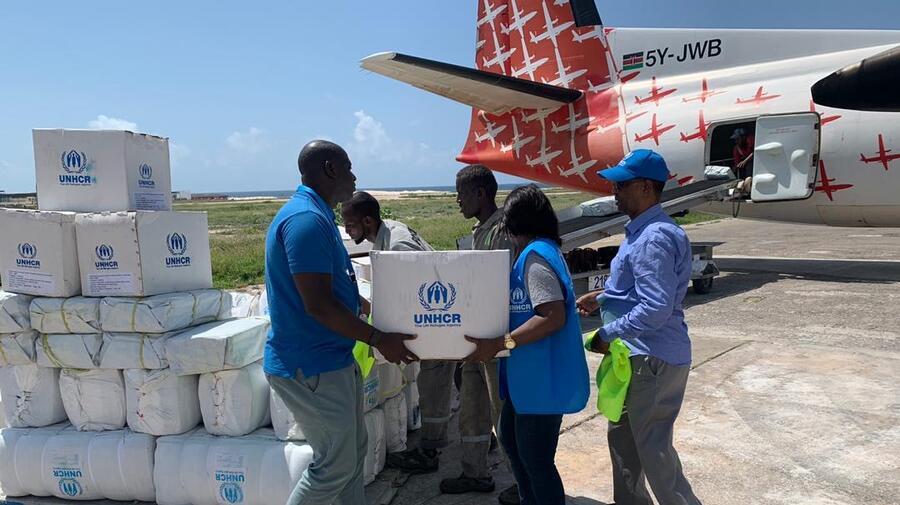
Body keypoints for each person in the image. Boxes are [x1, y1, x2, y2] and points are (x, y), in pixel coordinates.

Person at [264, 140, 417, 505]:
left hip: (332, 361)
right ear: (330, 168)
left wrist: (359, 302)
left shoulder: (316, 215)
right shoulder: (306, 220)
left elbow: (327, 287)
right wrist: (378, 338)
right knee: (334, 465)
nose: (354, 176)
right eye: (348, 168)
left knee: (353, 455)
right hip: (312, 365)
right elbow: (317, 305)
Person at [576, 149, 703, 505]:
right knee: (623, 444)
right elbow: (641, 291)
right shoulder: (643, 232)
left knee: (655, 454)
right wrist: (602, 298)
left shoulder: (653, 239)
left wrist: (605, 333)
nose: (615, 192)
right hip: (636, 359)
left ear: (646, 187)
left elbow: (656, 308)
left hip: (652, 360)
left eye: (622, 184)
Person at [466, 184, 590, 505]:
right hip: (528, 382)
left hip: (540, 383)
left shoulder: (535, 259)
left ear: (515, 223)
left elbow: (552, 316)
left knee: (536, 460)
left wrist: (500, 342)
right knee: (510, 438)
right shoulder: (543, 251)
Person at [340, 191, 454, 474]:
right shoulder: (390, 232)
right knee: (439, 383)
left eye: (350, 224)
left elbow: (422, 291)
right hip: (435, 323)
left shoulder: (398, 246)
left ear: (367, 220)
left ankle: (430, 453)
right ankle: (477, 440)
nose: (347, 230)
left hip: (437, 323)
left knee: (433, 387)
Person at [440, 164, 515, 499]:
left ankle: (520, 483)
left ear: (481, 193)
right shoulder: (481, 230)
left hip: (495, 338)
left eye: (462, 193)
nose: (457, 200)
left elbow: (502, 286)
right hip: (473, 336)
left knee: (502, 413)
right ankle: (474, 472)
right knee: (471, 407)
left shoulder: (502, 231)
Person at [731, 128, 755, 196]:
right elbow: (737, 163)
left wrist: (745, 161)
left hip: (756, 163)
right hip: (748, 168)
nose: (736, 141)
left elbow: (755, 152)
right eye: (735, 139)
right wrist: (734, 168)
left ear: (743, 137)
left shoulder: (750, 139)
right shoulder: (736, 148)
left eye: (737, 139)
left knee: (749, 164)